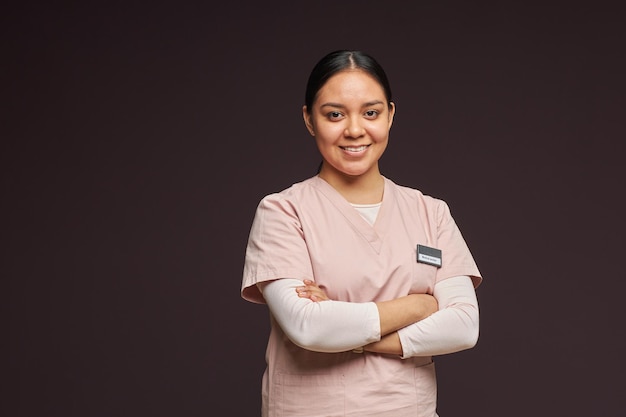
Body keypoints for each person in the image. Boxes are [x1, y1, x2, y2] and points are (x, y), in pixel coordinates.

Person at [241, 49, 482, 417]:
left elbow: (463, 326)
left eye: (371, 113)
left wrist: (349, 333)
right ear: (309, 120)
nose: (354, 130)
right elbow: (308, 327)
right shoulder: (283, 212)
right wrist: (420, 305)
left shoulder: (430, 212)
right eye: (334, 114)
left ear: (390, 115)